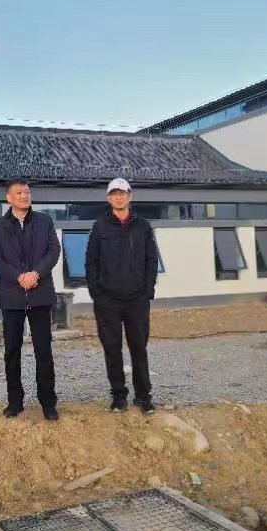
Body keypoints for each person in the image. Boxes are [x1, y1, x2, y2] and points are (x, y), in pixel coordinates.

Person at [0, 179, 61, 421]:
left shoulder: (44, 221)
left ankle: (48, 402)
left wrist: (35, 274)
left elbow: (53, 251)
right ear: (8, 198)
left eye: (27, 192)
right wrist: (19, 277)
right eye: (19, 192)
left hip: (40, 294)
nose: (24, 196)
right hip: (13, 296)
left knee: (43, 350)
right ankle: (15, 401)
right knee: (12, 351)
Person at [85, 178, 158, 415]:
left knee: (139, 348)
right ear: (109, 198)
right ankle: (118, 396)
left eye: (123, 193)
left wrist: (147, 291)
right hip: (107, 300)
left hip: (137, 300)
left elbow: (151, 260)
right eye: (114, 193)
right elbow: (91, 262)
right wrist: (96, 293)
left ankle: (143, 396)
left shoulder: (143, 226)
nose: (119, 197)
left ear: (130, 196)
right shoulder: (100, 227)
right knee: (112, 348)